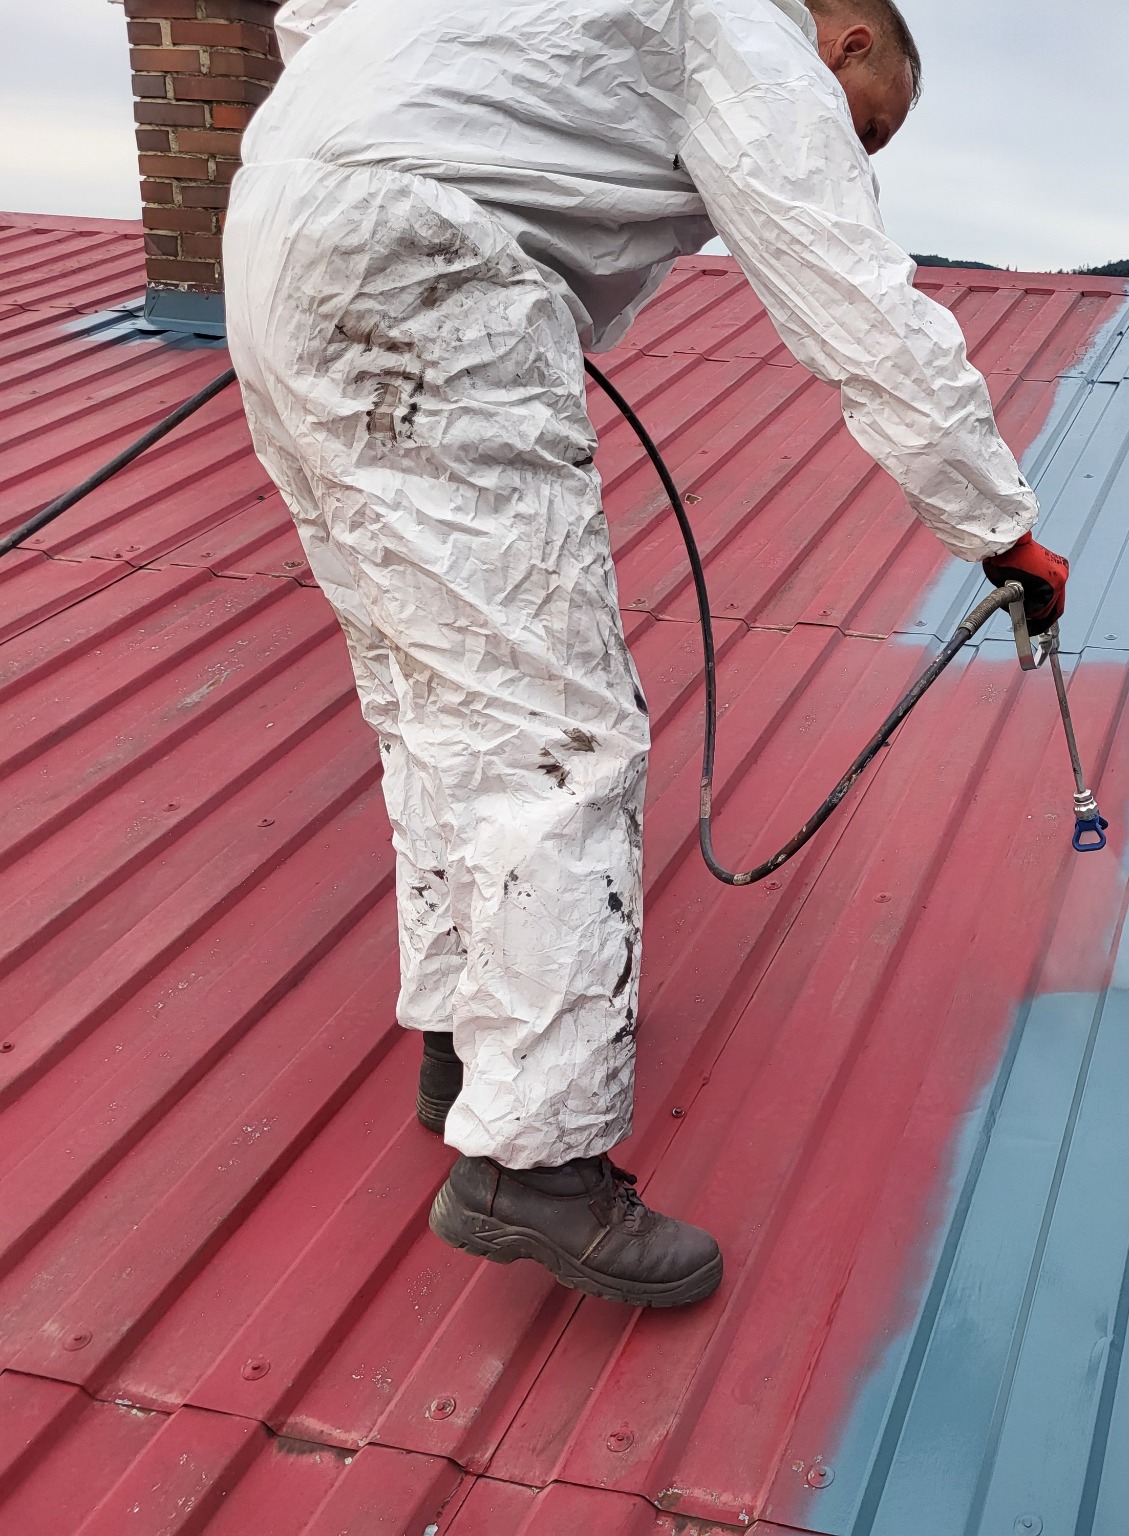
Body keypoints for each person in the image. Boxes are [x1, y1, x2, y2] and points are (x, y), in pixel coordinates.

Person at [225, 0, 1070, 1309]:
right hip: (428, 274)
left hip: (279, 235)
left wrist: (367, 173)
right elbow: (853, 298)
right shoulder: (748, 31)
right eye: (868, 124)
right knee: (556, 737)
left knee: (431, 700)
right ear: (844, 39)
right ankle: (535, 1163)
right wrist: (998, 525)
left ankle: (463, 1040)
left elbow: (321, 17)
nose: (858, 148)